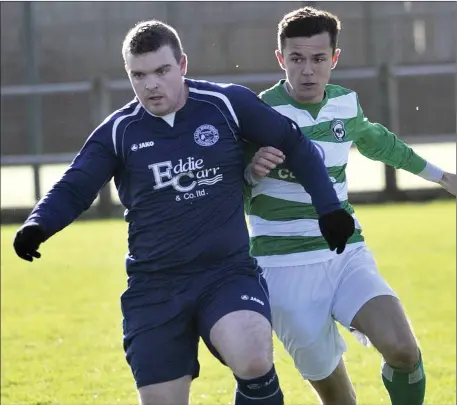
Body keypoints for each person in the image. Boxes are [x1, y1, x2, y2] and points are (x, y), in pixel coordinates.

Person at [13, 20, 356, 405]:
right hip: (155, 286)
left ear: (183, 65)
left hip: (225, 273)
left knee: (253, 356)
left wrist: (329, 209)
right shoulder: (119, 130)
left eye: (162, 71)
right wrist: (38, 223)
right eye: (138, 75)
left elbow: (295, 143)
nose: (151, 85)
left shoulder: (226, 104)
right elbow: (76, 185)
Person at [243, 6, 457, 405]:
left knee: (403, 350)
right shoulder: (257, 113)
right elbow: (229, 190)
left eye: (319, 59)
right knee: (340, 401)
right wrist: (250, 172)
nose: (308, 70)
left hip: (345, 255)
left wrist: (442, 177)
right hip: (284, 270)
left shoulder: (345, 104)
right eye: (297, 59)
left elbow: (381, 144)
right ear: (280, 59)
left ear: (334, 59)